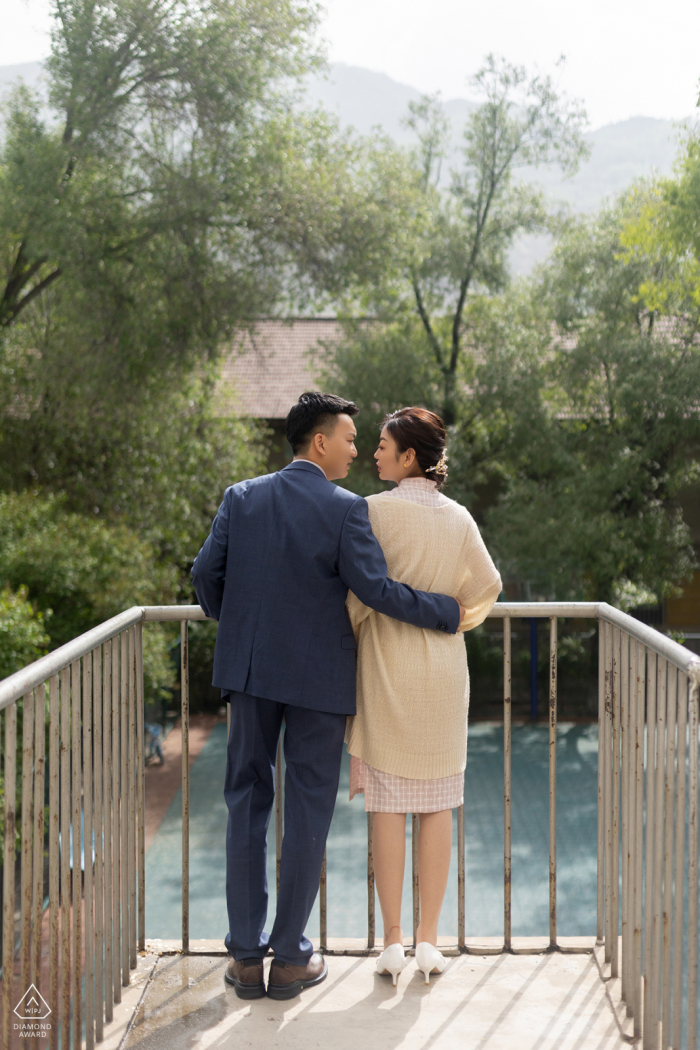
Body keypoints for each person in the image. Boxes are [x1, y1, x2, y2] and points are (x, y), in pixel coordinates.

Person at [191, 392, 467, 1001]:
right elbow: (375, 589)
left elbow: (203, 575)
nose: (355, 450)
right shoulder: (346, 510)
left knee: (246, 803)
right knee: (309, 811)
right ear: (319, 442)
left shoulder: (241, 497)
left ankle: (244, 959)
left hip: (251, 672)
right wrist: (444, 612)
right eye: (348, 438)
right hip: (319, 684)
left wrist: (237, 627)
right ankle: (289, 959)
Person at [345, 407, 502, 986]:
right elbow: (487, 587)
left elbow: (356, 593)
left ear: (408, 455)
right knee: (438, 804)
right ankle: (429, 941)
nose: (376, 454)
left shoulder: (370, 511)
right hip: (441, 672)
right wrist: (458, 619)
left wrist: (364, 622)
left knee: (387, 806)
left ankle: (391, 941)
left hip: (386, 668)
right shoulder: (459, 518)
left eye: (383, 445)